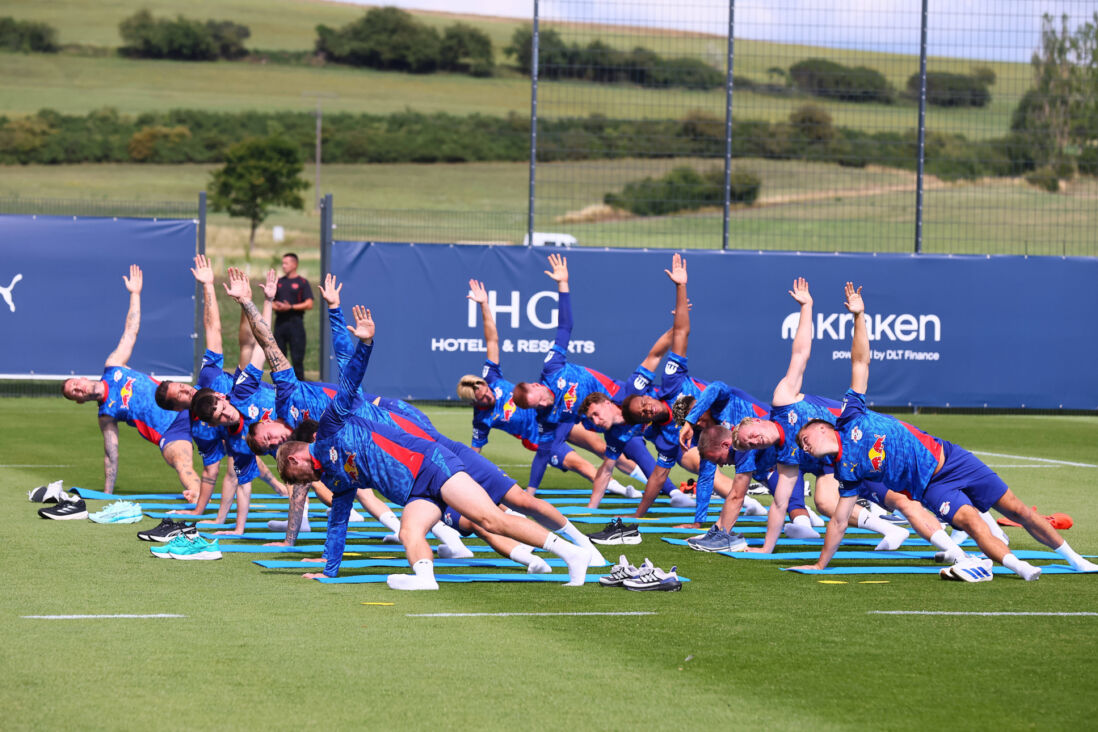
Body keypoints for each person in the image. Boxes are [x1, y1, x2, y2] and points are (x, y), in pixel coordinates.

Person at [794, 282, 1098, 581]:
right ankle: (1020, 567)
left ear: (822, 428)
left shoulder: (851, 415)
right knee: (971, 522)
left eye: (805, 439)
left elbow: (860, 361)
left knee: (1018, 509)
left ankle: (1075, 560)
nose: (804, 446)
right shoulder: (845, 471)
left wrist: (859, 317)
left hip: (951, 458)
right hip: (931, 487)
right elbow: (838, 521)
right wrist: (821, 565)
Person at [276, 306, 592, 590]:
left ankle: (571, 553)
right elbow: (338, 521)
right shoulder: (333, 479)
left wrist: (365, 342)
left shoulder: (330, 426)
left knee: (491, 520)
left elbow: (348, 379)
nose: (303, 482)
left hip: (431, 464)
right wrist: (329, 571)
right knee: (408, 533)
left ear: (295, 457)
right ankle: (425, 579)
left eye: (297, 476)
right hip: (416, 493)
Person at [229, 269, 470, 556]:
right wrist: (289, 540)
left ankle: (485, 524)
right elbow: (301, 488)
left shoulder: (287, 395)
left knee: (459, 478)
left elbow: (269, 344)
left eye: (268, 437)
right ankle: (461, 533)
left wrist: (248, 302)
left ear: (267, 419)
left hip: (391, 418)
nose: (273, 443)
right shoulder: (301, 441)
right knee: (418, 487)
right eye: (269, 447)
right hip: (379, 442)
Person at [699, 277, 913, 555]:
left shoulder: (783, 399)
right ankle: (893, 528)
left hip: (861, 433)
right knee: (826, 501)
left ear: (757, 421)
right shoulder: (784, 458)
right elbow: (778, 504)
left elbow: (801, 353)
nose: (756, 441)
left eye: (752, 436)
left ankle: (959, 516)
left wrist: (807, 306)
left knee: (904, 484)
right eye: (752, 444)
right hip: (837, 460)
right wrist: (766, 549)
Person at [511, 254, 690, 507]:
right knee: (619, 448)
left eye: (539, 398)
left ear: (538, 386)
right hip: (601, 419)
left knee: (663, 442)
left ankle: (675, 490)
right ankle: (670, 492)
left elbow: (565, 328)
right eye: (536, 406)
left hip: (620, 401)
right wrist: (530, 491)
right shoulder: (549, 416)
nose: (542, 404)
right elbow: (543, 450)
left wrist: (563, 284)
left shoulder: (552, 368)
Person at [458, 278, 642, 496]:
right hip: (539, 437)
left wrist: (484, 305)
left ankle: (649, 480)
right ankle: (622, 490)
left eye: (486, 390)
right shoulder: (482, 420)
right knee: (578, 463)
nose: (488, 394)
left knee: (602, 447)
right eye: (483, 398)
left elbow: (492, 341)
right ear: (473, 402)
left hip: (557, 416)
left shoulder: (492, 378)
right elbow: (475, 452)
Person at [61, 265, 200, 499]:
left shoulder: (113, 365)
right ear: (79, 401)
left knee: (233, 431)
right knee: (182, 463)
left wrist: (135, 294)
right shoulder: (106, 414)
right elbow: (111, 454)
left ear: (83, 378)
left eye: (76, 383)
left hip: (183, 402)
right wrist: (107, 493)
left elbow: (130, 331)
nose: (78, 388)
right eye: (74, 392)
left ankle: (280, 487)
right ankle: (196, 495)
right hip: (169, 431)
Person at [273, 252, 313, 380]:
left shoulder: (302, 282)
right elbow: (271, 301)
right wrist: (278, 306)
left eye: (286, 263)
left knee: (297, 360)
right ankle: (280, 386)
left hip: (296, 323)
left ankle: (300, 387)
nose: (283, 266)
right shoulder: (279, 282)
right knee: (278, 359)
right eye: (282, 263)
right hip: (280, 323)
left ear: (295, 264)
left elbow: (309, 304)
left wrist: (290, 307)